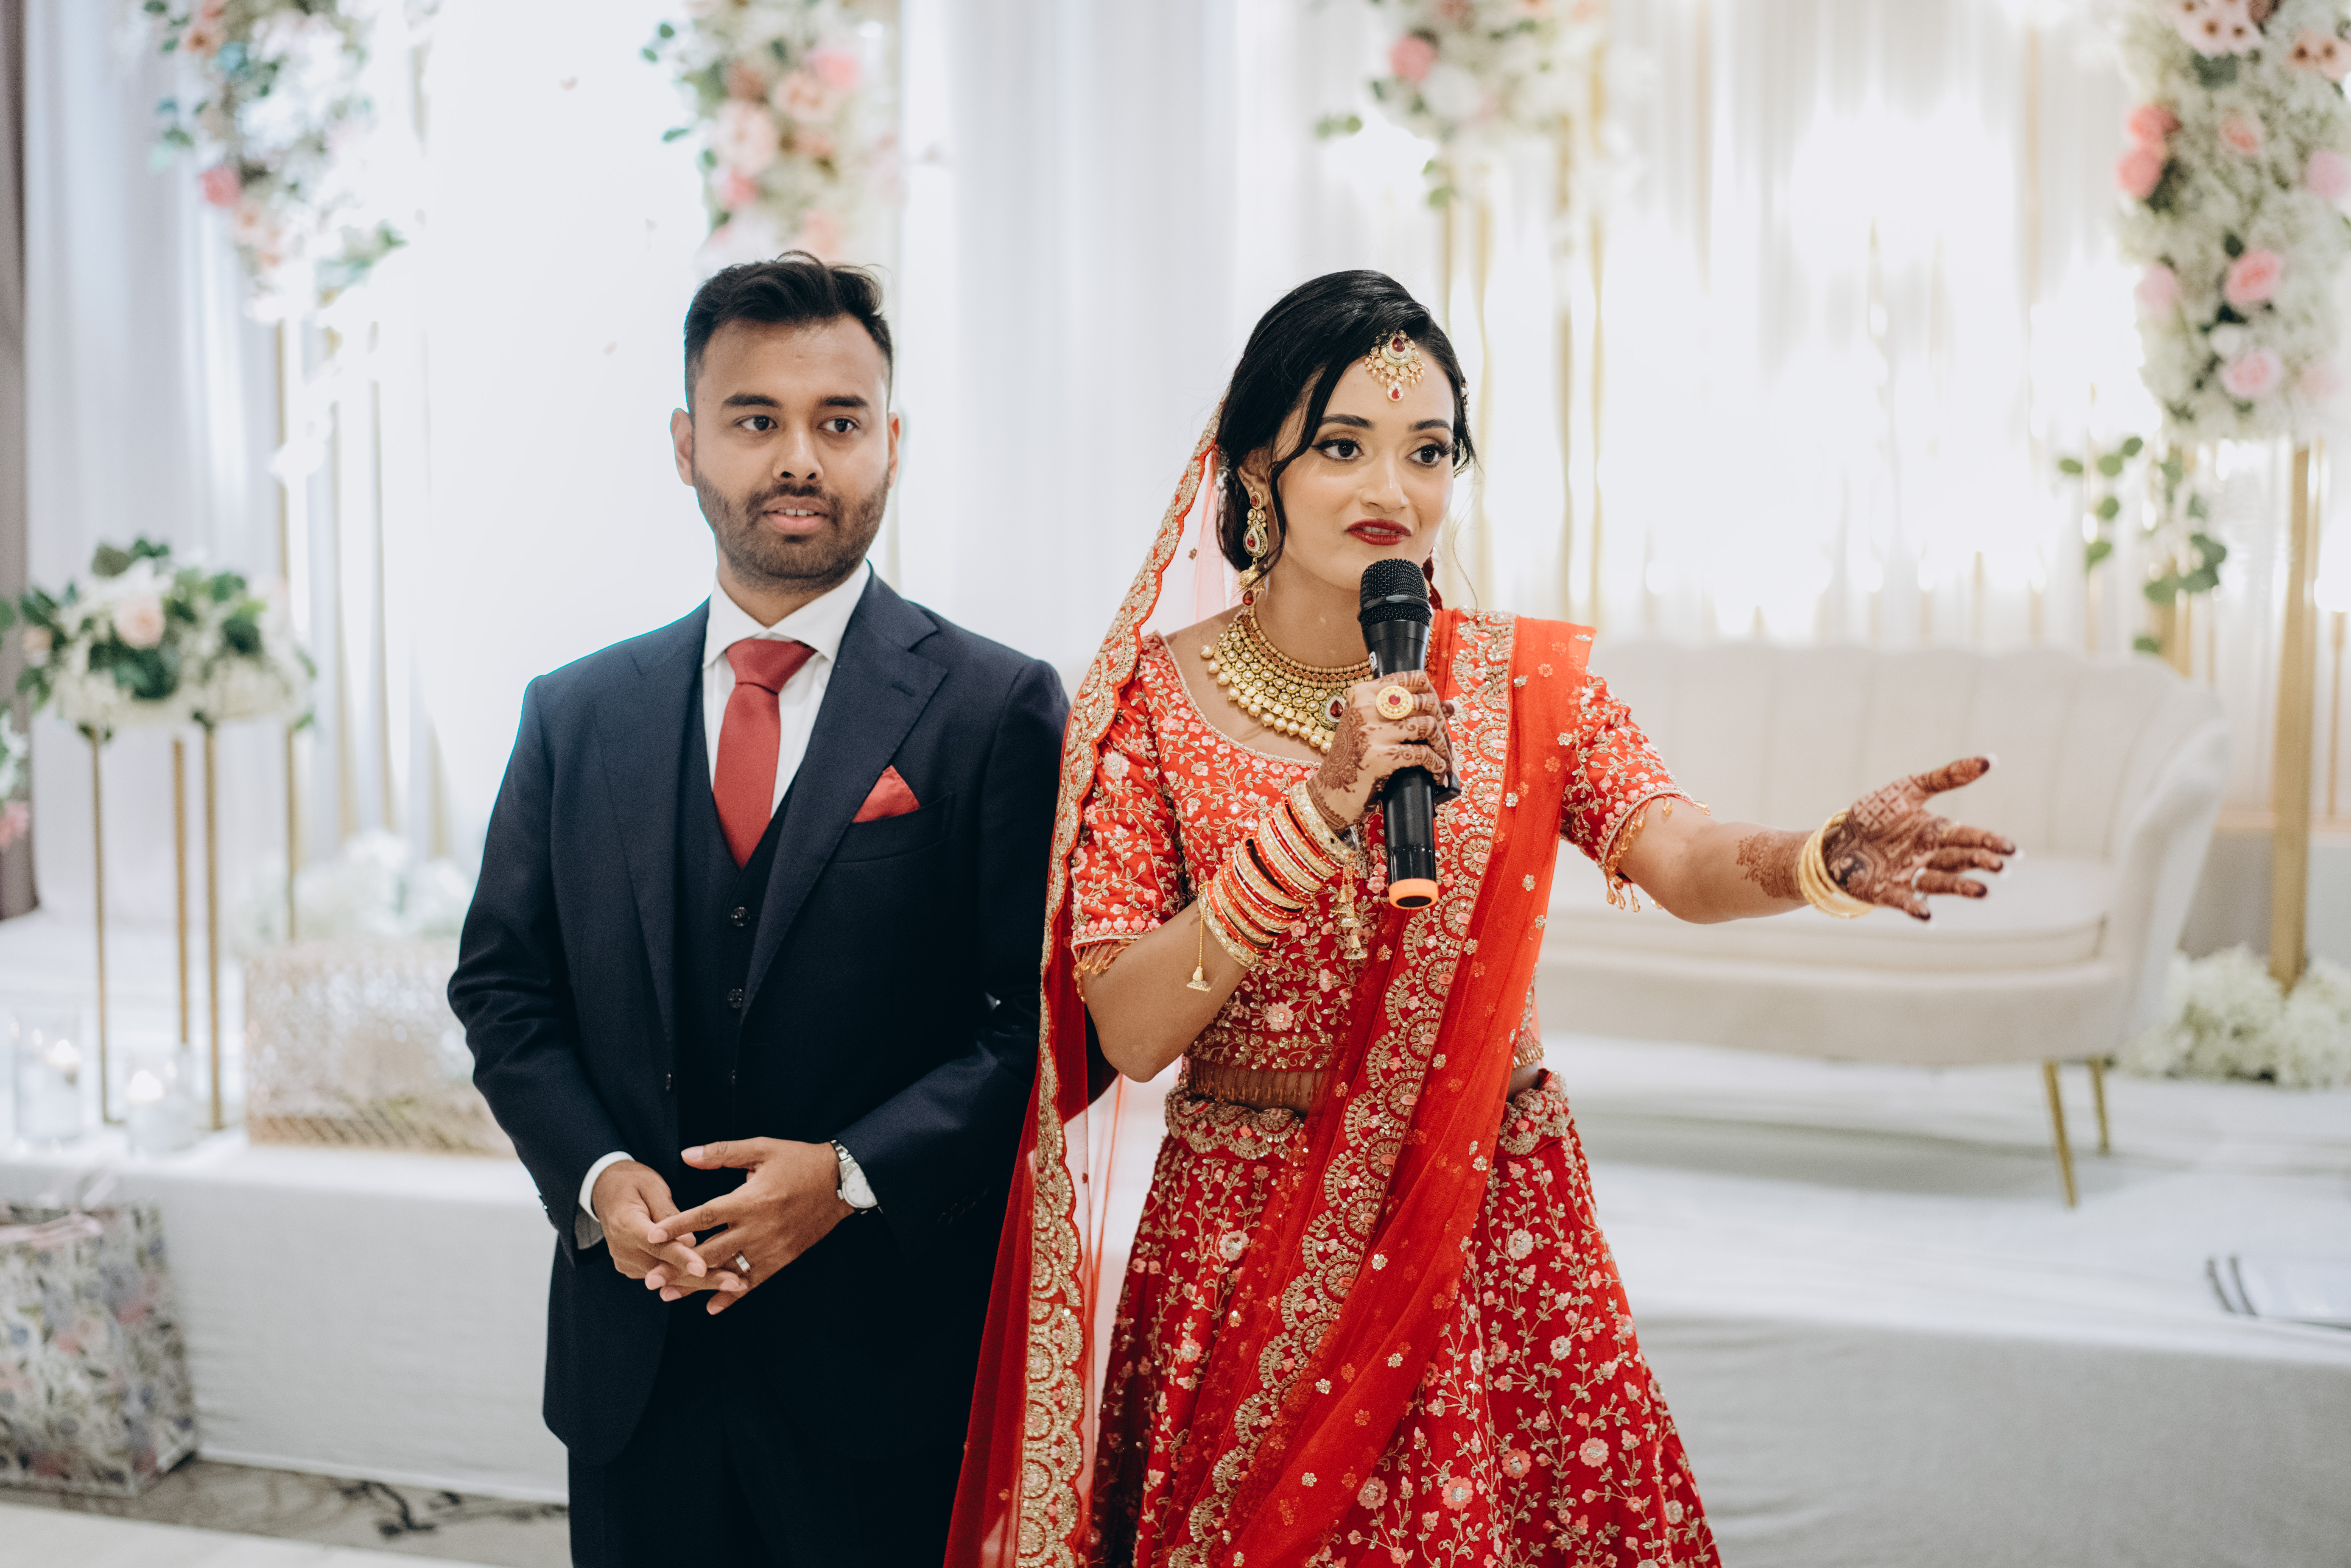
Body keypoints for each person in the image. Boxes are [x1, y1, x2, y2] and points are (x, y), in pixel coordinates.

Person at [947, 270, 2017, 1568]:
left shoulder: (1521, 685)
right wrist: (1317, 813)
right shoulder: (1148, 707)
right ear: (1255, 468)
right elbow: (1123, 1027)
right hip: (1243, 1244)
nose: (1391, 489)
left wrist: (1813, 857)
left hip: (1484, 1234)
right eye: (1342, 445)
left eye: (1427, 450)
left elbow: (1678, 856)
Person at [449, 253, 1066, 1568]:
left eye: (839, 421)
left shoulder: (997, 707)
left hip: (884, 1372)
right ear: (686, 445)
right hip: (638, 1364)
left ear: (891, 443)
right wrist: (597, 1177)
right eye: (754, 419)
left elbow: (1031, 1024)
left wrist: (845, 1178)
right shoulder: (573, 712)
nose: (798, 457)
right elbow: (503, 989)